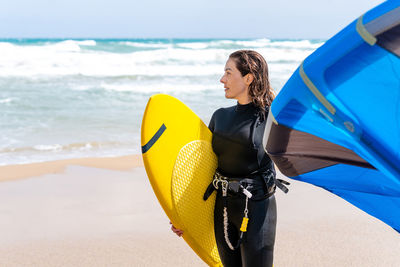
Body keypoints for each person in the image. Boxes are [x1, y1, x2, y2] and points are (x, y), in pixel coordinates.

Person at [172, 50, 287, 267]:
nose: (222, 79)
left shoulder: (270, 118)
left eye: (228, 72)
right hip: (222, 208)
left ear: (248, 78)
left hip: (257, 209)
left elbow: (294, 154)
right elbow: (202, 170)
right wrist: (183, 215)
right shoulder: (220, 117)